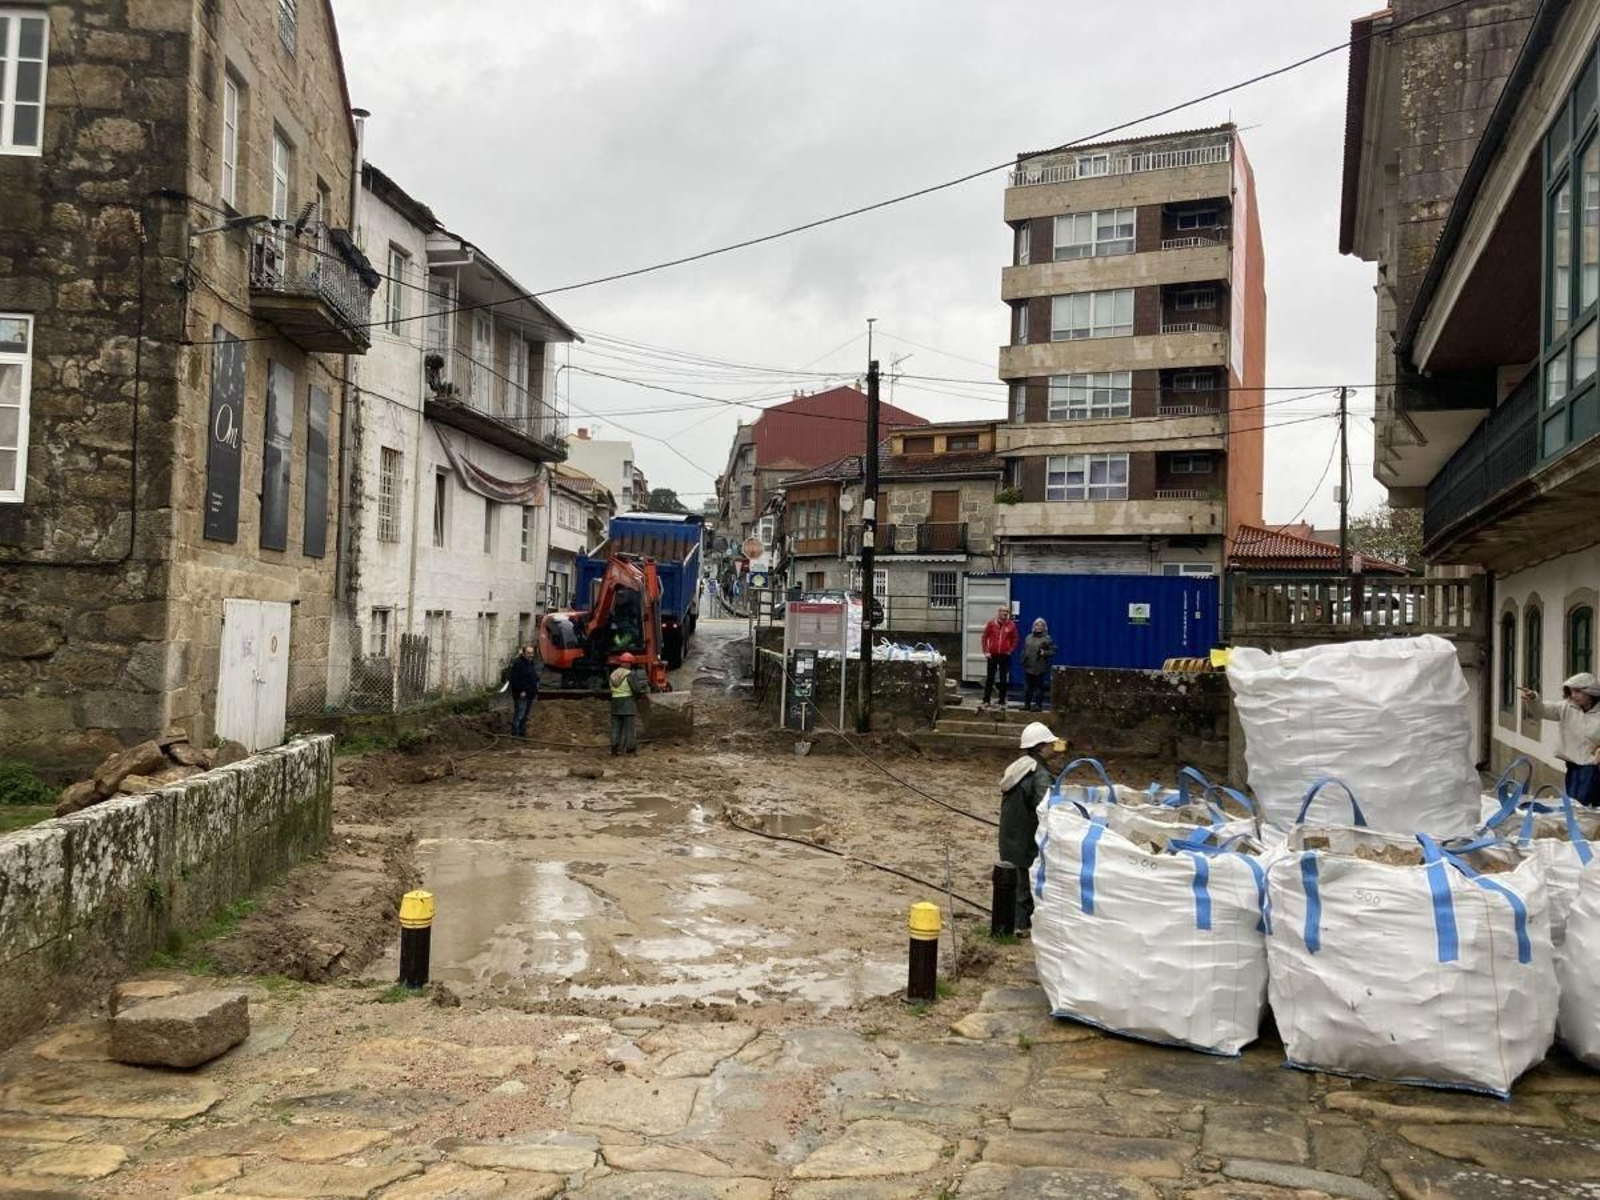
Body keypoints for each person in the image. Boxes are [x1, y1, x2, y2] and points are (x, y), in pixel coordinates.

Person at [999, 721, 1067, 934]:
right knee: (1024, 882)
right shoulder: (1039, 774)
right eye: (1049, 744)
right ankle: (1021, 926)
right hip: (1026, 835)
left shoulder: (1020, 766)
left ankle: (1008, 922)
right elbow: (1045, 806)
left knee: (1013, 878)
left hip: (1010, 833)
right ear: (1040, 747)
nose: (1053, 748)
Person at [1520, 672, 1600, 806]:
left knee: (1582, 801)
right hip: (1573, 763)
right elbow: (1541, 710)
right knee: (1573, 800)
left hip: (1593, 765)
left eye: (1578, 691)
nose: (1573, 695)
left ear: (1591, 693)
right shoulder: (1566, 707)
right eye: (1571, 691)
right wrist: (1533, 698)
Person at [609, 652, 649, 756]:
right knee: (629, 728)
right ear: (628, 663)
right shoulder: (629, 674)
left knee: (616, 727)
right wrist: (641, 693)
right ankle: (630, 750)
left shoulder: (613, 674)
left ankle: (614, 750)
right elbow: (636, 689)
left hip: (615, 703)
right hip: (627, 703)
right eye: (631, 663)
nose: (631, 665)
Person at [980, 606, 1019, 709]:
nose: (1005, 613)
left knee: (1003, 678)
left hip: (1004, 655)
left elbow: (1015, 638)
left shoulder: (1011, 625)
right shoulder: (991, 623)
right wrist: (985, 651)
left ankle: (1002, 700)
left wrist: (1010, 650)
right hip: (992, 654)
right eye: (1003, 611)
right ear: (998, 612)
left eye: (1007, 611)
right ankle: (986, 700)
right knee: (990, 678)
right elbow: (984, 637)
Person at [1021, 618, 1057, 712]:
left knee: (1038, 687)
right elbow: (1024, 649)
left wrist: (1044, 653)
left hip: (1040, 666)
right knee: (1027, 687)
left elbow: (1053, 651)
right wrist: (1022, 658)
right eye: (1037, 625)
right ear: (1034, 626)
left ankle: (1038, 705)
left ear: (1044, 627)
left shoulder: (1047, 638)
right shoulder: (1028, 637)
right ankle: (1027, 705)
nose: (1039, 627)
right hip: (1028, 665)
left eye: (1041, 625)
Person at [505, 644, 541, 738]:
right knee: (520, 714)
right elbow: (514, 679)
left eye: (532, 653)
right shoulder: (518, 664)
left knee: (525, 715)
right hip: (521, 694)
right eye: (528, 653)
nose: (530, 655)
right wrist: (521, 690)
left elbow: (532, 676)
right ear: (524, 653)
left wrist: (536, 681)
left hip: (530, 693)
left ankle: (522, 733)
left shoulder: (530, 663)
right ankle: (515, 734)